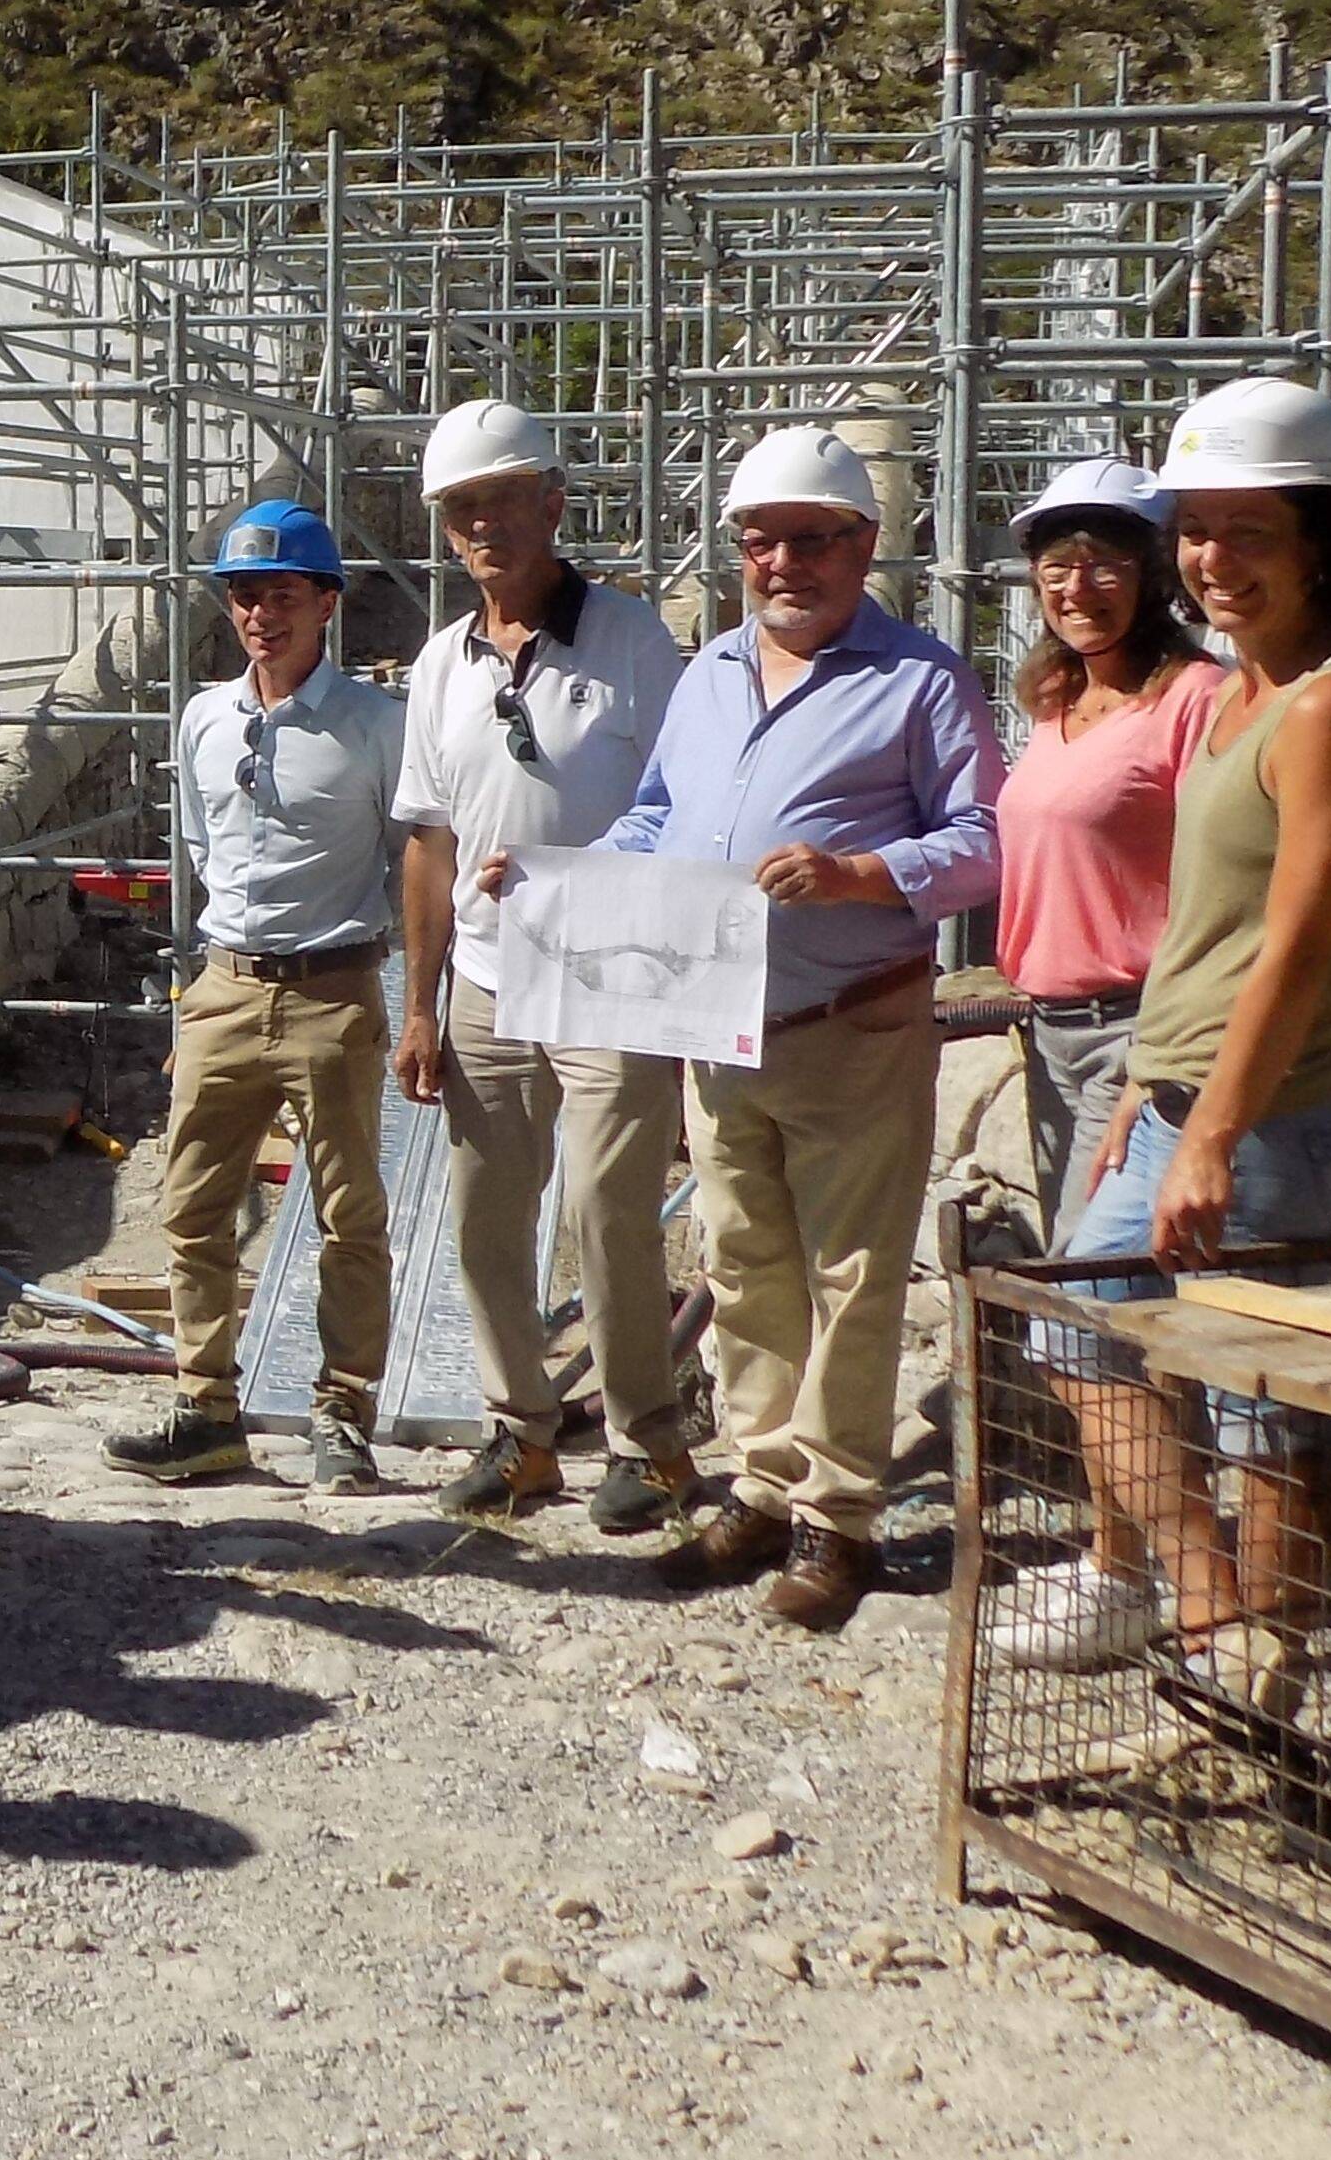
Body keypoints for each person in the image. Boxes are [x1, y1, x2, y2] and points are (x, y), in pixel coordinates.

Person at [524, 424, 1001, 1633]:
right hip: (717, 1021)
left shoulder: (919, 679)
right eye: (760, 541)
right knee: (743, 1265)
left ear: (862, 545)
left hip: (850, 1021)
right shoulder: (710, 673)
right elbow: (653, 821)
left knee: (851, 1274)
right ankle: (762, 1481)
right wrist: (553, 886)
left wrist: (857, 874)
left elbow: (984, 841)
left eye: (809, 540)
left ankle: (838, 1518)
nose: (782, 562)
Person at [1045, 379, 1331, 1721]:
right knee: (1084, 1347)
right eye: (1194, 531)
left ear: (1320, 539)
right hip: (1176, 1096)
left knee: (1254, 1405)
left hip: (1262, 1117)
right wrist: (1141, 1100)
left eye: (1244, 530)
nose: (1210, 560)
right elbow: (1196, 936)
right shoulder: (1229, 699)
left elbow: (1295, 949)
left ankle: (1242, 1662)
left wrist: (1203, 1131)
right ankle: (1216, 1632)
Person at [391, 402, 696, 1529]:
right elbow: (427, 841)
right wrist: (417, 1007)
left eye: (499, 500)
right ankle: (518, 1431)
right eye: (460, 508)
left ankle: (647, 1442)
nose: (480, 524)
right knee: (483, 1214)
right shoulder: (437, 665)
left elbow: (677, 807)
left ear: (550, 504)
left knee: (608, 1208)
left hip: (608, 966)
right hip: (482, 976)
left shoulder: (630, 641)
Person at [107, 499, 412, 1494]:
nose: (258, 615)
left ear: (325, 601)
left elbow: (410, 862)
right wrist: (201, 993)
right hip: (224, 987)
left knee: (346, 1216)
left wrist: (416, 1004)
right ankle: (204, 1408)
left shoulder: (376, 726)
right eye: (242, 595)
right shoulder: (203, 717)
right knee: (191, 1209)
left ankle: (341, 1411)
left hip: (332, 989)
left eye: (279, 594)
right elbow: (201, 846)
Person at [976, 454, 1221, 1674]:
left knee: (1097, 1309)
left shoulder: (1193, 701)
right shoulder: (1052, 699)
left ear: (1151, 572)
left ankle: (1168, 1581)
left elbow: (1222, 882)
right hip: (1052, 1027)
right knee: (1092, 1309)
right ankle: (1120, 1562)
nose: (1079, 584)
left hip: (1142, 1031)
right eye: (1058, 562)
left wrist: (1162, 1052)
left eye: (1106, 561)